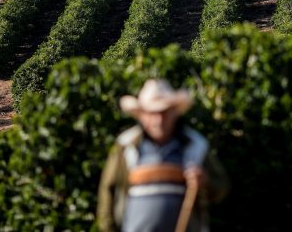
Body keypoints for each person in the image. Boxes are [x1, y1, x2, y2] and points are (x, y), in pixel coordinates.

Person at [97, 78, 229, 232]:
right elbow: (108, 192)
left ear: (174, 112)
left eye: (164, 112)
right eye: (152, 113)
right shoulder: (126, 146)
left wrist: (205, 181)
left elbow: (221, 186)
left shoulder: (195, 145)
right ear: (142, 115)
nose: (159, 120)